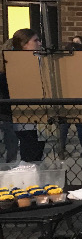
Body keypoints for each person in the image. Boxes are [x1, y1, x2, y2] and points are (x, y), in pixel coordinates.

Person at [11, 29, 45, 162]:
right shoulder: (15, 63)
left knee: (37, 153)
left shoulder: (40, 60)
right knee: (29, 152)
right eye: (35, 40)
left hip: (40, 115)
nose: (40, 43)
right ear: (24, 44)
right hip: (24, 116)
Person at [59, 39, 82, 158]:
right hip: (80, 96)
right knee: (81, 125)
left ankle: (61, 150)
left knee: (63, 125)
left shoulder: (63, 64)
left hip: (65, 97)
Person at [0, 39, 18, 162]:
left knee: (12, 147)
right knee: (11, 146)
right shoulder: (4, 74)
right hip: (7, 113)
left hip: (10, 114)